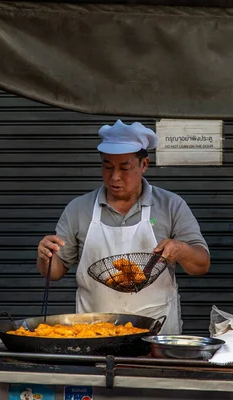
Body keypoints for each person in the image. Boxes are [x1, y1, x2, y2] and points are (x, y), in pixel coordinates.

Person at [36, 120, 210, 334]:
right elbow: (54, 273)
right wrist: (45, 256)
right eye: (107, 167)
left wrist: (182, 250)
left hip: (157, 335)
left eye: (124, 168)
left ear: (144, 164)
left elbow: (201, 265)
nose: (115, 177)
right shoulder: (78, 209)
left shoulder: (171, 205)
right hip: (94, 334)